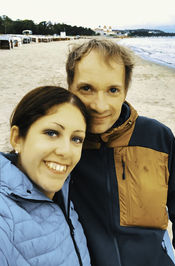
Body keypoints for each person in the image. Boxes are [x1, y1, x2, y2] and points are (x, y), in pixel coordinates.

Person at [66, 39, 175, 266]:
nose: (100, 105)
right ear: (70, 86)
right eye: (86, 88)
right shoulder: (63, 144)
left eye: (112, 90)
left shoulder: (157, 137)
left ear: (125, 91)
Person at [0, 86, 91, 266]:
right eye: (51, 133)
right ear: (17, 138)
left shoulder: (66, 198)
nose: (66, 151)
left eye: (76, 139)